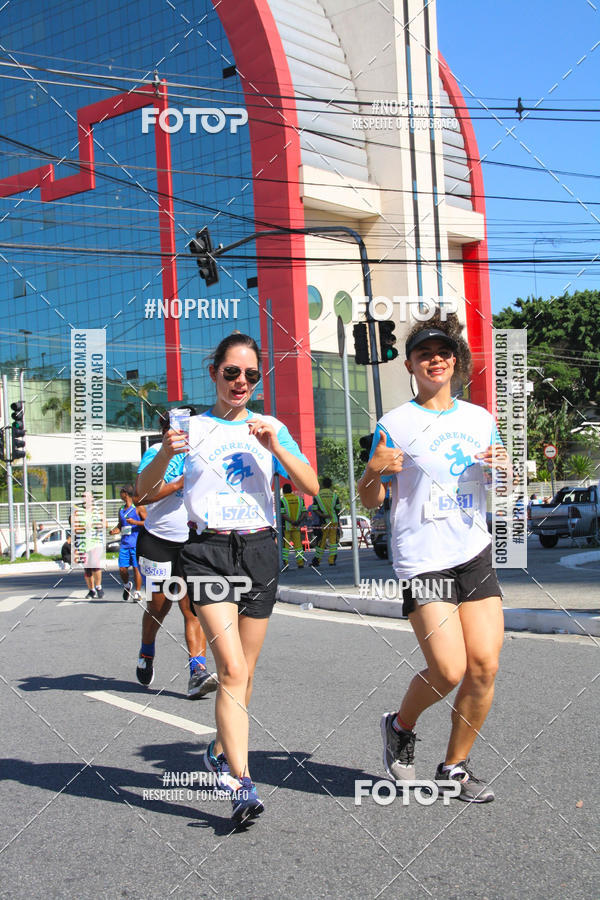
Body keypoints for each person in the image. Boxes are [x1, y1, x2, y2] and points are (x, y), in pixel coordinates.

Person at [137, 333, 318, 826]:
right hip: (208, 553)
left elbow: (310, 487)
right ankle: (241, 783)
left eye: (251, 375)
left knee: (246, 672)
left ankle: (219, 751)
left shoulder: (271, 426)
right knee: (232, 672)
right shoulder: (190, 429)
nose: (241, 382)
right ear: (213, 371)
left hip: (260, 550)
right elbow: (142, 492)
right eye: (232, 372)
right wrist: (163, 453)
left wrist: (275, 445)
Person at [358, 314, 508, 804]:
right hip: (423, 559)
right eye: (425, 353)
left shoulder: (481, 419)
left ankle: (454, 767)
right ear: (410, 364)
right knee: (447, 669)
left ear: (455, 361)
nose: (436, 359)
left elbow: (499, 488)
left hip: (472, 551)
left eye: (444, 352)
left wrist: (501, 470)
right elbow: (369, 500)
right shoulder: (394, 423)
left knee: (483, 666)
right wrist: (374, 473)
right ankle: (400, 727)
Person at [134, 412, 217, 699]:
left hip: (193, 543)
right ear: (168, 429)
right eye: (180, 427)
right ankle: (147, 650)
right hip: (158, 542)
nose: (186, 432)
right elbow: (142, 497)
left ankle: (197, 672)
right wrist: (179, 483)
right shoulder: (156, 453)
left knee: (193, 609)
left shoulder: (203, 454)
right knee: (158, 608)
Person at [110, 485, 145, 602]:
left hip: (136, 543)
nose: (120, 494)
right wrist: (116, 530)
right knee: (122, 569)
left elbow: (148, 522)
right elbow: (120, 524)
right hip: (124, 544)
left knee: (136, 568)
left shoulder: (138, 508)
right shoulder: (121, 509)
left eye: (121, 492)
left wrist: (135, 522)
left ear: (125, 493)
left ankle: (137, 592)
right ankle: (127, 585)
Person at [72, 491, 106, 598]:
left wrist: (98, 525)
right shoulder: (77, 512)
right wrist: (84, 527)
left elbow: (105, 524)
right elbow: (74, 528)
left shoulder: (98, 511)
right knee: (87, 568)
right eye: (83, 497)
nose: (85, 499)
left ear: (92, 499)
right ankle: (91, 590)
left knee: (95, 565)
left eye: (87, 497)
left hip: (96, 542)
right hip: (83, 543)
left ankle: (99, 587)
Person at [310, 476, 341, 566]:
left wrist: (323, 515)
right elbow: (338, 510)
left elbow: (314, 509)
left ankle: (317, 561)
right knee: (333, 542)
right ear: (331, 485)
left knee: (321, 541)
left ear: (322, 485)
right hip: (334, 521)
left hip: (324, 522)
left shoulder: (317, 496)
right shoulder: (335, 496)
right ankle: (332, 561)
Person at [280, 482, 306, 569]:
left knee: (285, 547)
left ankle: (285, 563)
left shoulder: (282, 500)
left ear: (283, 491)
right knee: (298, 546)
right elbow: (304, 512)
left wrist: (291, 521)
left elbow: (283, 514)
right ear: (291, 490)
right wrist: (298, 521)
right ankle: (300, 563)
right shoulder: (299, 499)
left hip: (286, 527)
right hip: (297, 526)